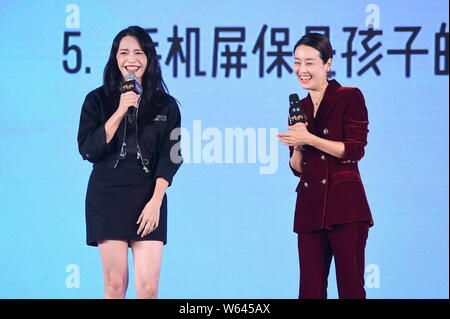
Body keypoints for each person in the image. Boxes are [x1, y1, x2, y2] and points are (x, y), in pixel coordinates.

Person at [77, 26, 182, 299]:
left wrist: (156, 201)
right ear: (115, 58)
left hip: (149, 195)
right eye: (124, 52)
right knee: (115, 286)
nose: (131, 59)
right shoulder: (96, 100)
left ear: (149, 58)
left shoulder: (166, 105)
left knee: (148, 289)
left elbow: (172, 156)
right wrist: (121, 109)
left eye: (138, 52)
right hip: (106, 194)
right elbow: (88, 149)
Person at [277, 33, 373, 299]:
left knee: (350, 288)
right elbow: (297, 168)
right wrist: (297, 145)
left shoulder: (349, 96)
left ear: (327, 63)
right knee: (309, 291)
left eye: (310, 62)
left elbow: (354, 150)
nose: (302, 70)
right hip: (310, 208)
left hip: (346, 206)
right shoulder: (300, 107)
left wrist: (309, 138)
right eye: (297, 62)